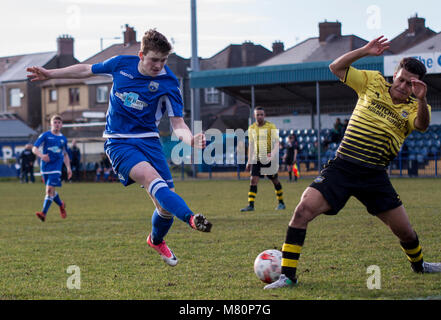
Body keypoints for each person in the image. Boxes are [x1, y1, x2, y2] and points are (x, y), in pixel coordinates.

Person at [265, 36, 441, 289]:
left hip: (374, 176)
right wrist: (364, 50)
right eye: (402, 79)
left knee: (404, 231)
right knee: (302, 211)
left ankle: (420, 265)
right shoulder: (372, 82)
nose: (404, 86)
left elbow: (422, 126)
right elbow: (335, 68)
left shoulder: (414, 106)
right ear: (394, 74)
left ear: (417, 85)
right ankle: (288, 275)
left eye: (410, 83)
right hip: (343, 167)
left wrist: (422, 99)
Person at [27, 29, 212, 267]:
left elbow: (178, 124)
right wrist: (50, 73)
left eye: (163, 61)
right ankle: (191, 218)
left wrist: (191, 140)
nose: (159, 65)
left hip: (150, 141)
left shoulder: (169, 83)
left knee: (165, 207)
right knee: (151, 177)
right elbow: (86, 69)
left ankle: (156, 240)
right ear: (141, 54)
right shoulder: (121, 64)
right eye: (154, 59)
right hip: (118, 141)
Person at [241, 107, 285, 212]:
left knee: (275, 180)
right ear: (254, 116)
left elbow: (277, 143)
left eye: (261, 114)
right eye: (258, 115)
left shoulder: (271, 126)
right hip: (257, 158)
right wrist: (249, 161)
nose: (260, 116)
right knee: (253, 180)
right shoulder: (251, 128)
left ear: (264, 115)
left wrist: (272, 154)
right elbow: (251, 145)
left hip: (269, 159)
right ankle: (250, 205)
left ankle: (281, 203)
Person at [32, 115, 71, 222]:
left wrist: (68, 168)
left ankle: (43, 213)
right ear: (51, 124)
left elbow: (66, 154)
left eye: (59, 122)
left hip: (56, 167)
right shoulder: (45, 135)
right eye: (55, 122)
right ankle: (61, 204)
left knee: (49, 190)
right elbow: (34, 149)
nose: (57, 124)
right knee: (51, 192)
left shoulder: (63, 139)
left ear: (61, 125)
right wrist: (42, 156)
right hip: (45, 167)